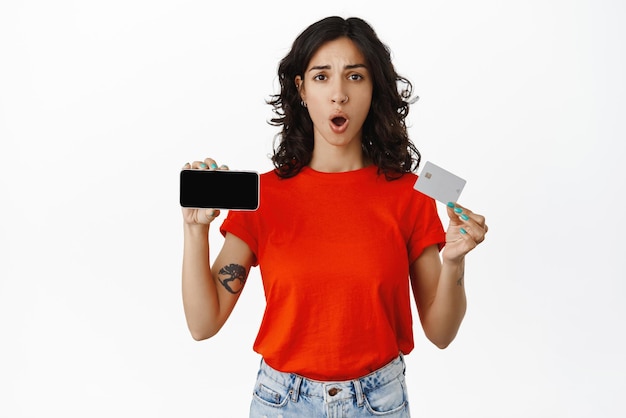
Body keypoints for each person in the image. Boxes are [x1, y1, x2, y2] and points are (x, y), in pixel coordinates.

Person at [181, 16, 487, 418]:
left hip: (378, 402)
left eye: (355, 77)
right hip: (281, 403)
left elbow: (442, 333)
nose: (338, 94)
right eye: (322, 77)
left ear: (373, 87)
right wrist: (194, 230)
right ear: (301, 89)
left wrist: (454, 260)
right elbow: (203, 325)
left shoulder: (409, 195)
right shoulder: (265, 196)